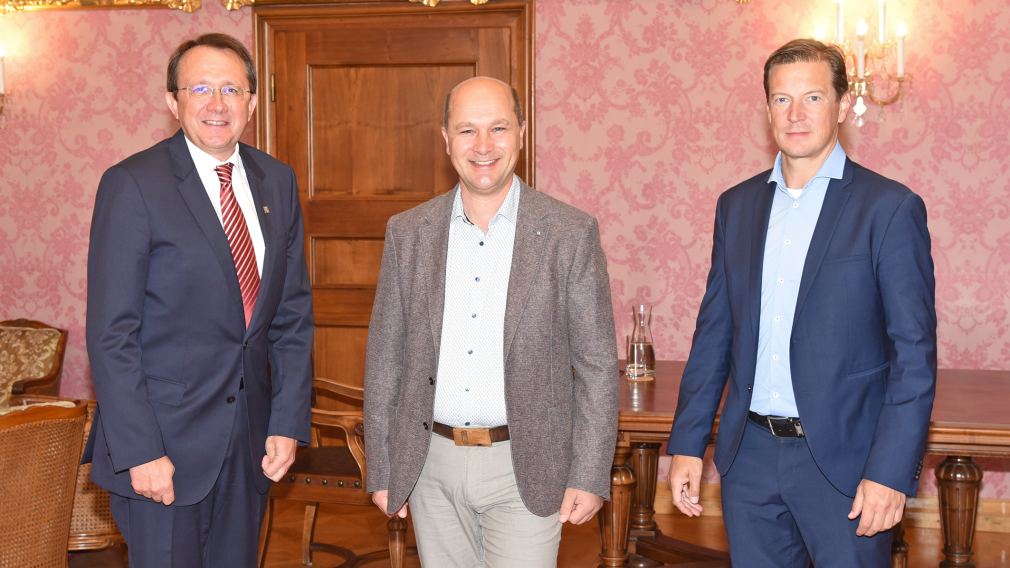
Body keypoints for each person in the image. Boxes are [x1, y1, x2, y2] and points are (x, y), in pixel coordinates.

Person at [666, 39, 936, 567]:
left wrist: (888, 471)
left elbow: (914, 356)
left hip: (847, 465)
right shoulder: (736, 206)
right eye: (781, 99)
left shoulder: (889, 208)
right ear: (767, 110)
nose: (795, 114)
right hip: (750, 460)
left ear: (840, 104)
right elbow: (714, 335)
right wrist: (687, 444)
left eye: (812, 98)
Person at [363, 76, 618, 567]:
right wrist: (383, 466)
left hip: (527, 467)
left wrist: (588, 473)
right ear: (445, 139)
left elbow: (597, 368)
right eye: (467, 131)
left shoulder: (570, 234)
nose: (483, 146)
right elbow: (385, 360)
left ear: (522, 132)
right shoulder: (409, 233)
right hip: (430, 467)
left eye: (498, 128)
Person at [84, 32, 313, 567]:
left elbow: (292, 315)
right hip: (163, 449)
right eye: (201, 88)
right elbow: (111, 333)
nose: (217, 104)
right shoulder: (132, 184)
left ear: (252, 104)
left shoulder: (276, 182)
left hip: (250, 444)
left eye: (231, 90)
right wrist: (141, 450)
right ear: (173, 102)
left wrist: (286, 420)